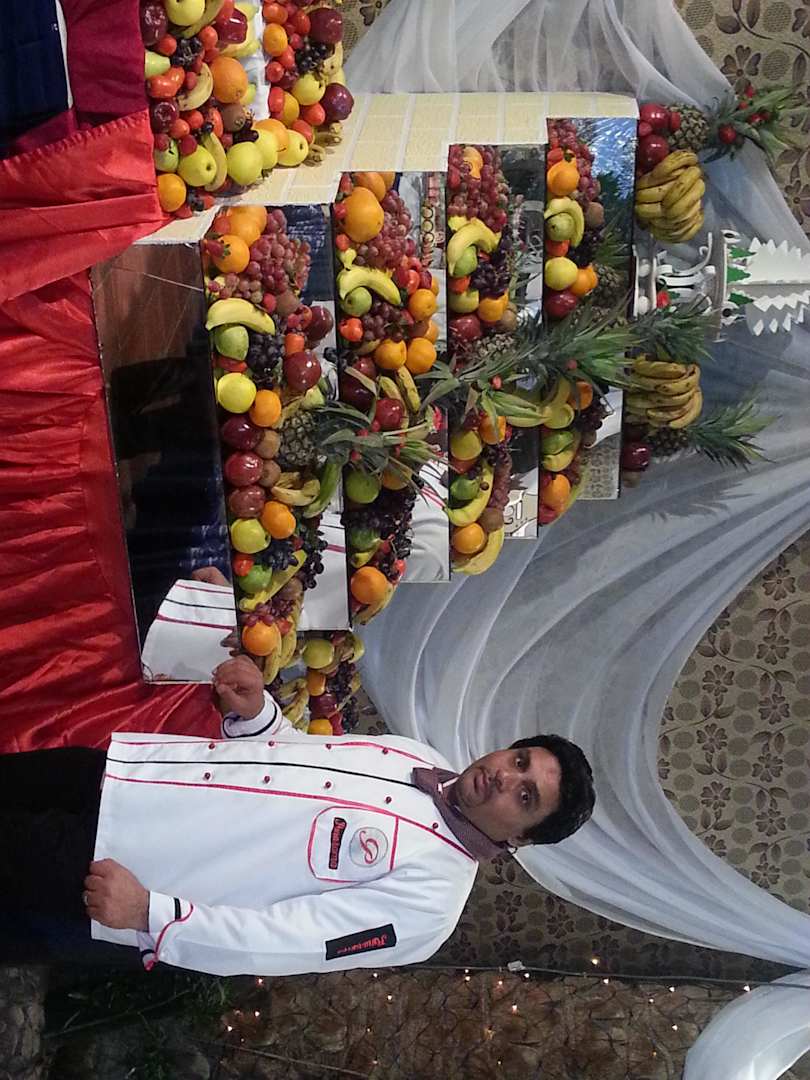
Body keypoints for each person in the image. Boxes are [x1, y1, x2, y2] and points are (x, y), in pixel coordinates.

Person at [0, 658, 594, 975]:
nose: (506, 777)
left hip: (113, 871)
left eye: (525, 797)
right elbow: (298, 760)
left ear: (521, 839)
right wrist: (260, 717)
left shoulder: (429, 907)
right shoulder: (416, 755)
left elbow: (280, 944)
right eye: (520, 760)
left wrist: (149, 914)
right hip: (127, 774)